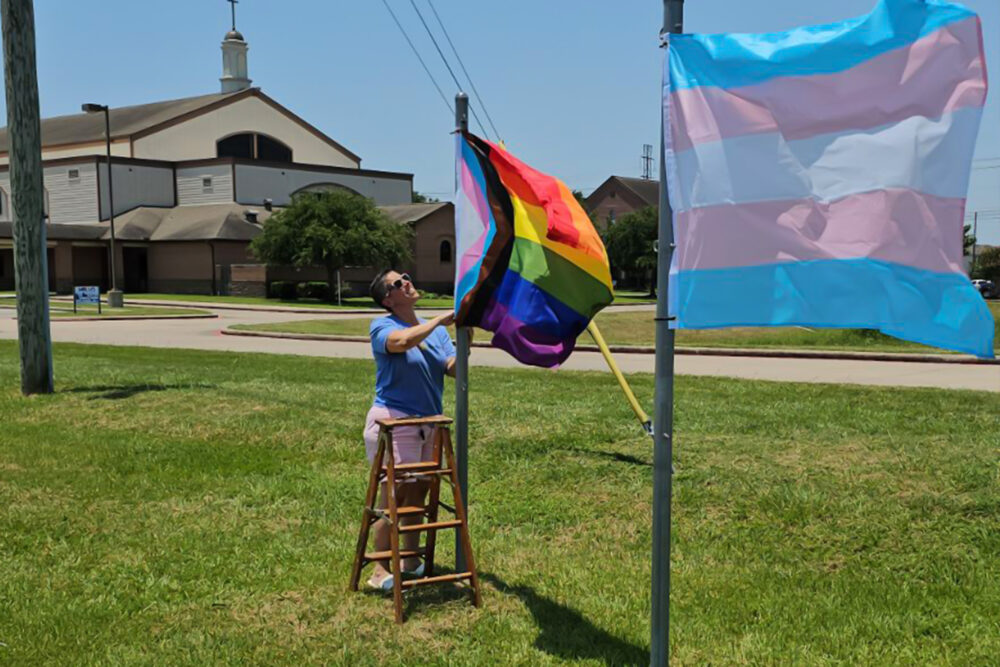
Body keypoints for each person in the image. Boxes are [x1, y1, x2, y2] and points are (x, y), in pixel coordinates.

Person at [363, 269, 457, 590]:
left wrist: (470, 341)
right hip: (394, 421)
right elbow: (402, 343)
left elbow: (452, 368)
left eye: (406, 276)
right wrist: (438, 321)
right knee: (396, 495)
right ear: (387, 299)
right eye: (398, 283)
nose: (407, 282)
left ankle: (411, 559)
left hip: (429, 421)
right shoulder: (383, 325)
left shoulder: (437, 332)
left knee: (420, 491)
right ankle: (378, 569)